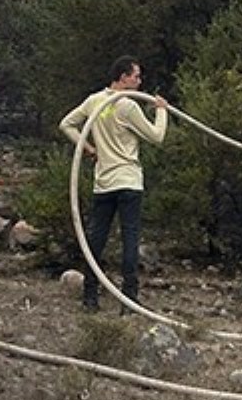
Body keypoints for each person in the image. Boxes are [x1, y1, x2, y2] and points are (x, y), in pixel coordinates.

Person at [59, 56, 169, 311]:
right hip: (128, 180)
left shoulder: (95, 101)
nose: (139, 81)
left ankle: (90, 297)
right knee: (129, 239)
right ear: (123, 77)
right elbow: (156, 136)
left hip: (104, 181)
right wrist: (161, 111)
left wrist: (89, 148)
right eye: (136, 76)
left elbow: (67, 124)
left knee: (96, 238)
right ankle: (129, 299)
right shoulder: (127, 106)